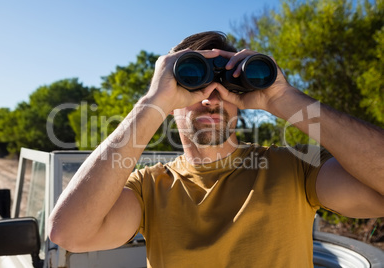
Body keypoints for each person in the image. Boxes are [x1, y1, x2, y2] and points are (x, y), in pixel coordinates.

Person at [48, 31, 384, 267]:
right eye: (193, 82)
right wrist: (152, 102)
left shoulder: (295, 167)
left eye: (225, 85)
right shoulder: (149, 186)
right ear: (173, 100)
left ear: (240, 100)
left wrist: (284, 99)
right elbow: (70, 233)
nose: (211, 99)